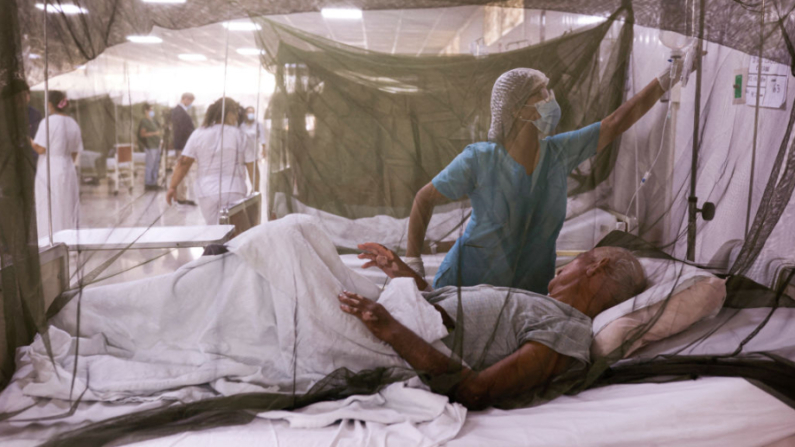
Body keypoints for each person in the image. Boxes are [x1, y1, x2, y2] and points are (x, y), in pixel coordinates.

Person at [405, 55, 694, 294]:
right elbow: (423, 199)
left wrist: (666, 79)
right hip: (465, 285)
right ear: (519, 110)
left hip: (529, 291)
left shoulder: (559, 152)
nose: (551, 99)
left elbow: (614, 123)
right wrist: (413, 260)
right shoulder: (480, 159)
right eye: (542, 94)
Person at [166, 97, 259, 224]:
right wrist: (255, 193)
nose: (237, 117)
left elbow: (184, 162)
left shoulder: (198, 134)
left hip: (206, 191)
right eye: (235, 113)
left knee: (214, 231)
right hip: (235, 190)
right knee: (235, 232)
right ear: (229, 113)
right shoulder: (241, 135)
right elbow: (252, 167)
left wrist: (172, 187)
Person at [30, 90, 83, 236]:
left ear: (50, 104)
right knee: (67, 205)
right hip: (68, 168)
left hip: (49, 168)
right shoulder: (73, 123)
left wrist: (28, 140)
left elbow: (40, 149)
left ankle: (49, 240)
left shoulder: (48, 122)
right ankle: (69, 239)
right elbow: (74, 152)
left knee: (49, 206)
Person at [170, 92, 197, 205]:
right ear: (185, 99)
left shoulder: (179, 111)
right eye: (190, 101)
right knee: (182, 170)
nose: (190, 103)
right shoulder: (179, 111)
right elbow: (183, 130)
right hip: (183, 145)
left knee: (183, 171)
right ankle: (181, 197)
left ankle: (182, 196)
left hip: (183, 145)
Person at [138, 102, 162, 191]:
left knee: (156, 165)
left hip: (157, 145)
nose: (152, 111)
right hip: (150, 146)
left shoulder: (154, 121)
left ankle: (154, 183)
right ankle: (148, 183)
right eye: (151, 110)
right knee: (150, 165)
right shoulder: (144, 121)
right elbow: (142, 134)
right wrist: (154, 133)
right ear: (146, 111)